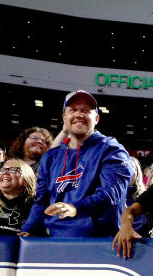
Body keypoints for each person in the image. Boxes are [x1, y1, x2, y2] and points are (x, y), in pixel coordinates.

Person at [21, 90, 132, 237]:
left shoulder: (112, 149)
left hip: (99, 242)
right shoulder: (50, 157)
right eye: (73, 110)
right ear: (64, 118)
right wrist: (28, 230)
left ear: (97, 118)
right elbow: (41, 202)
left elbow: (110, 194)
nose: (79, 115)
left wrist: (75, 208)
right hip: (54, 239)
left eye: (86, 110)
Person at [0, 127, 54, 204]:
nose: (39, 141)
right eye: (34, 138)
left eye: (43, 141)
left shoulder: (48, 167)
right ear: (23, 141)